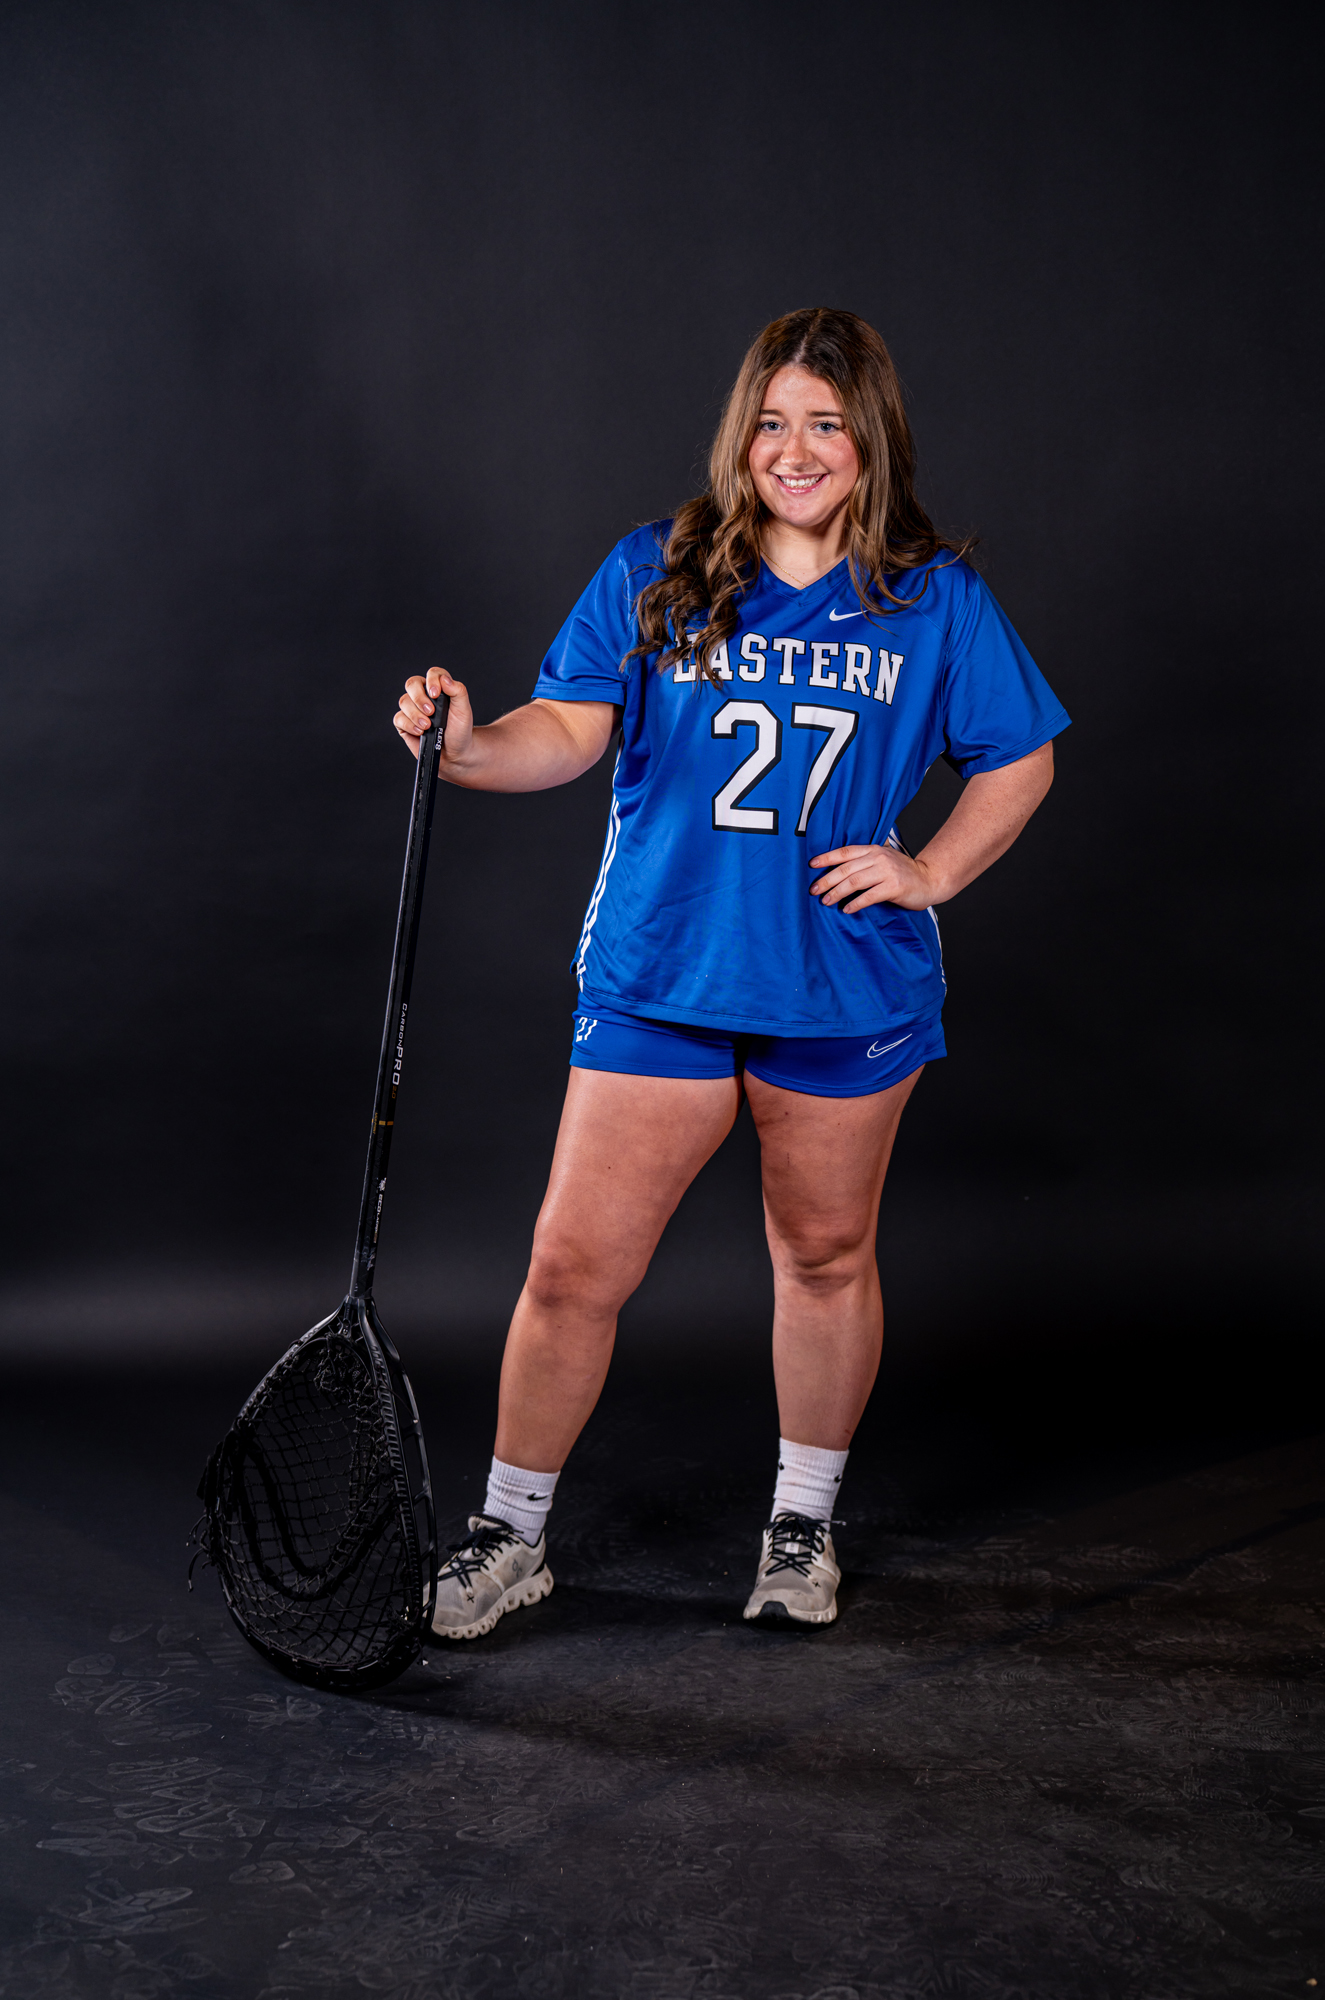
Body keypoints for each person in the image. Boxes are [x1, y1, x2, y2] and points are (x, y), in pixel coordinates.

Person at [394, 307, 1069, 1638]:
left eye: (826, 424)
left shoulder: (932, 597)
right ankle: (509, 1534)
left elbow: (1020, 756)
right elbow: (566, 730)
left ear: (871, 440)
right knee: (571, 1268)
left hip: (843, 987)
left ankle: (800, 1526)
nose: (794, 450)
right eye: (770, 422)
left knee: (822, 1254)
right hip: (664, 973)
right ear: (739, 434)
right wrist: (467, 749)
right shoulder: (658, 570)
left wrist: (930, 871)